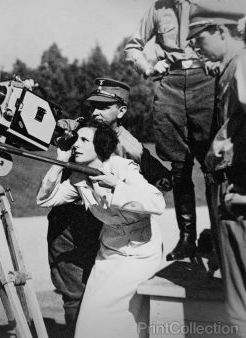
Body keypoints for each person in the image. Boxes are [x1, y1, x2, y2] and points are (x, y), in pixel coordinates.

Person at [47, 78, 171, 332]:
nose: (95, 112)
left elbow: (162, 184)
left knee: (101, 299)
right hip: (65, 222)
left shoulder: (130, 147)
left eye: (104, 107)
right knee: (72, 293)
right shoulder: (77, 129)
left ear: (122, 111)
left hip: (100, 227)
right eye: (93, 106)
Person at [124, 0, 219, 262]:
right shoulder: (157, 9)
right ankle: (187, 239)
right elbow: (133, 46)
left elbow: (230, 38)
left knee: (213, 165)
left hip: (205, 81)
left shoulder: (210, 4)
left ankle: (220, 238)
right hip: (171, 85)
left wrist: (219, 62)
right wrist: (149, 68)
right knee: (179, 166)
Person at [188, 2, 246, 335]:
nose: (194, 45)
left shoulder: (241, 62)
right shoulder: (229, 66)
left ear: (221, 30)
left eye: (199, 36)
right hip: (232, 192)